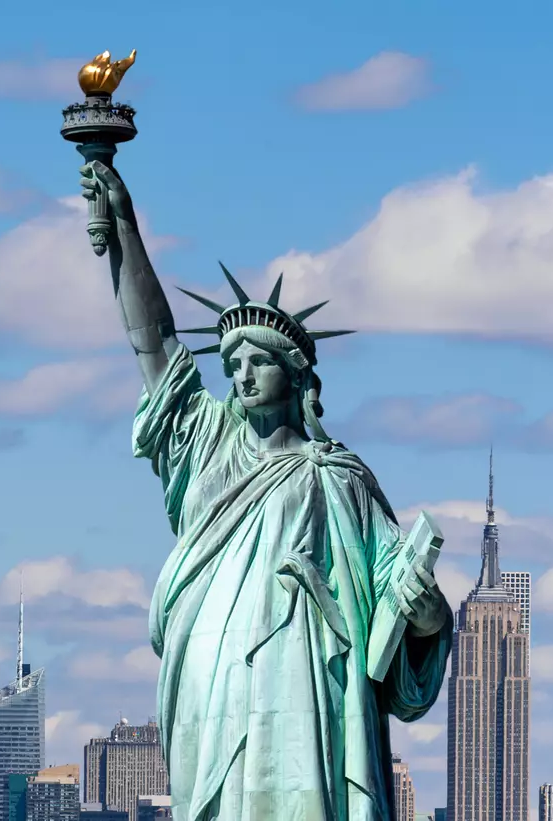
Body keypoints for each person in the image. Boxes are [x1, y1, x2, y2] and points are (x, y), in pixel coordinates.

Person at [80, 159, 453, 821]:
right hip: (213, 674)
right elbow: (155, 346)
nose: (243, 375)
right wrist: (126, 229)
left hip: (308, 676)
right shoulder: (205, 445)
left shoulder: (338, 477)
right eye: (233, 364)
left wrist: (429, 618)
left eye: (259, 361)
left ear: (295, 375)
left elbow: (396, 592)